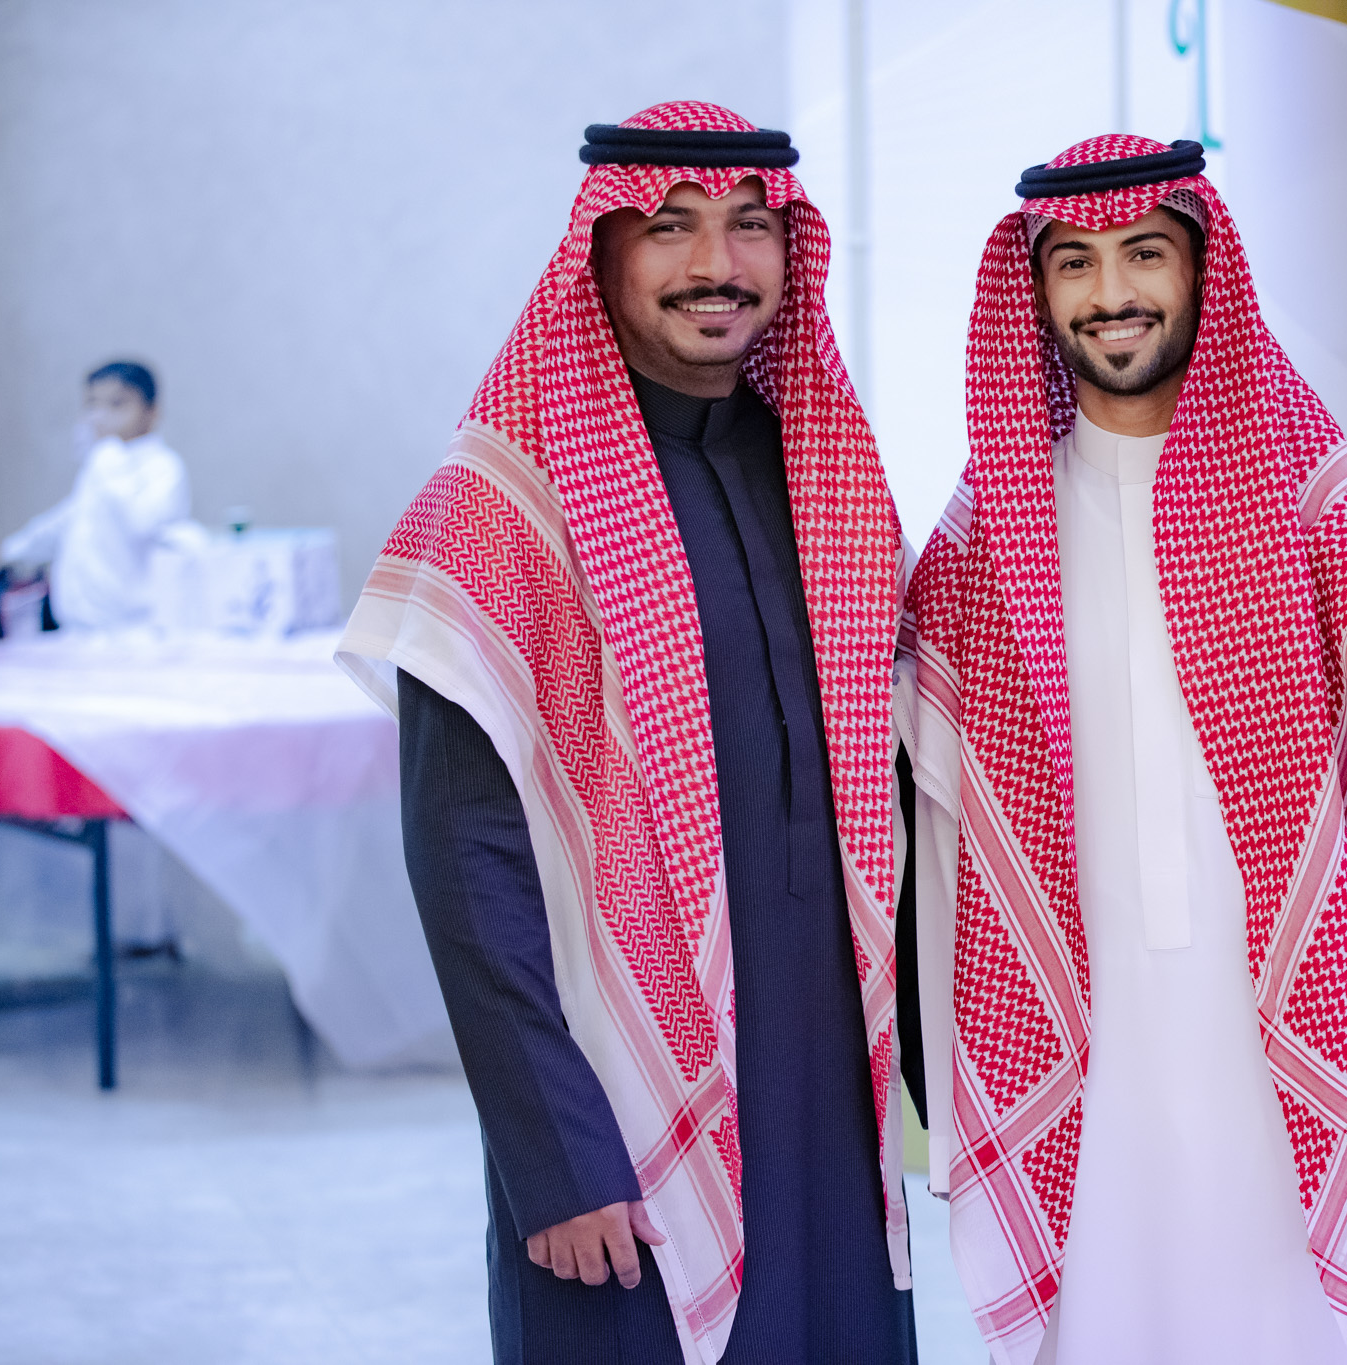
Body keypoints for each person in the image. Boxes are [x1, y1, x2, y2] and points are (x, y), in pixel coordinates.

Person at [336, 103, 919, 1365]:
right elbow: (465, 858)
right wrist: (556, 1155)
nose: (718, 264)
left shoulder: (825, 472)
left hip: (828, 1087)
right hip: (615, 1112)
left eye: (750, 226)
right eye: (670, 228)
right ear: (598, 253)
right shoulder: (500, 513)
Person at [903, 136, 1347, 1364]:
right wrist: (962, 1120)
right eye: (1074, 262)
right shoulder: (981, 542)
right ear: (1035, 292)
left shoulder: (1314, 503)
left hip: (1296, 1073)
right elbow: (946, 851)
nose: (1110, 292)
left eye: (1144, 254)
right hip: (1083, 1083)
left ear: (1202, 269)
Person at [0, 361, 189, 633]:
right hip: (78, 621)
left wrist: (108, 457)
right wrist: (16, 549)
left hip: (132, 626)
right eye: (93, 404)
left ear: (152, 412)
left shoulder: (161, 466)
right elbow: (73, 517)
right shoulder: (101, 465)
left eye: (117, 405)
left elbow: (144, 523)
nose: (101, 416)